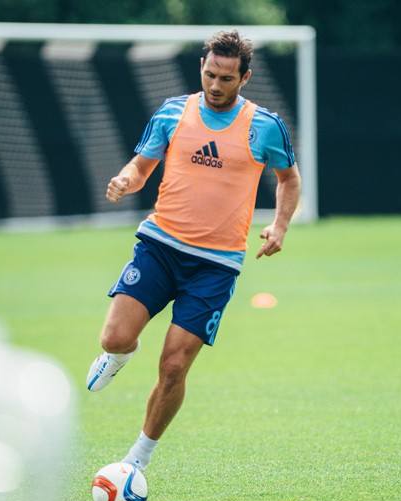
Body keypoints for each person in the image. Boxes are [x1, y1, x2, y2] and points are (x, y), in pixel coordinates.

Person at [87, 30, 302, 471]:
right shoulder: (173, 112)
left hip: (215, 266)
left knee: (174, 366)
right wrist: (126, 179)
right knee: (114, 337)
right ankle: (119, 355)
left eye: (227, 78)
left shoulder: (265, 125)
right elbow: (142, 166)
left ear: (245, 78)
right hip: (160, 247)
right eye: (210, 75)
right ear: (201, 67)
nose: (215, 85)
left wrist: (280, 225)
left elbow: (289, 179)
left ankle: (136, 460)